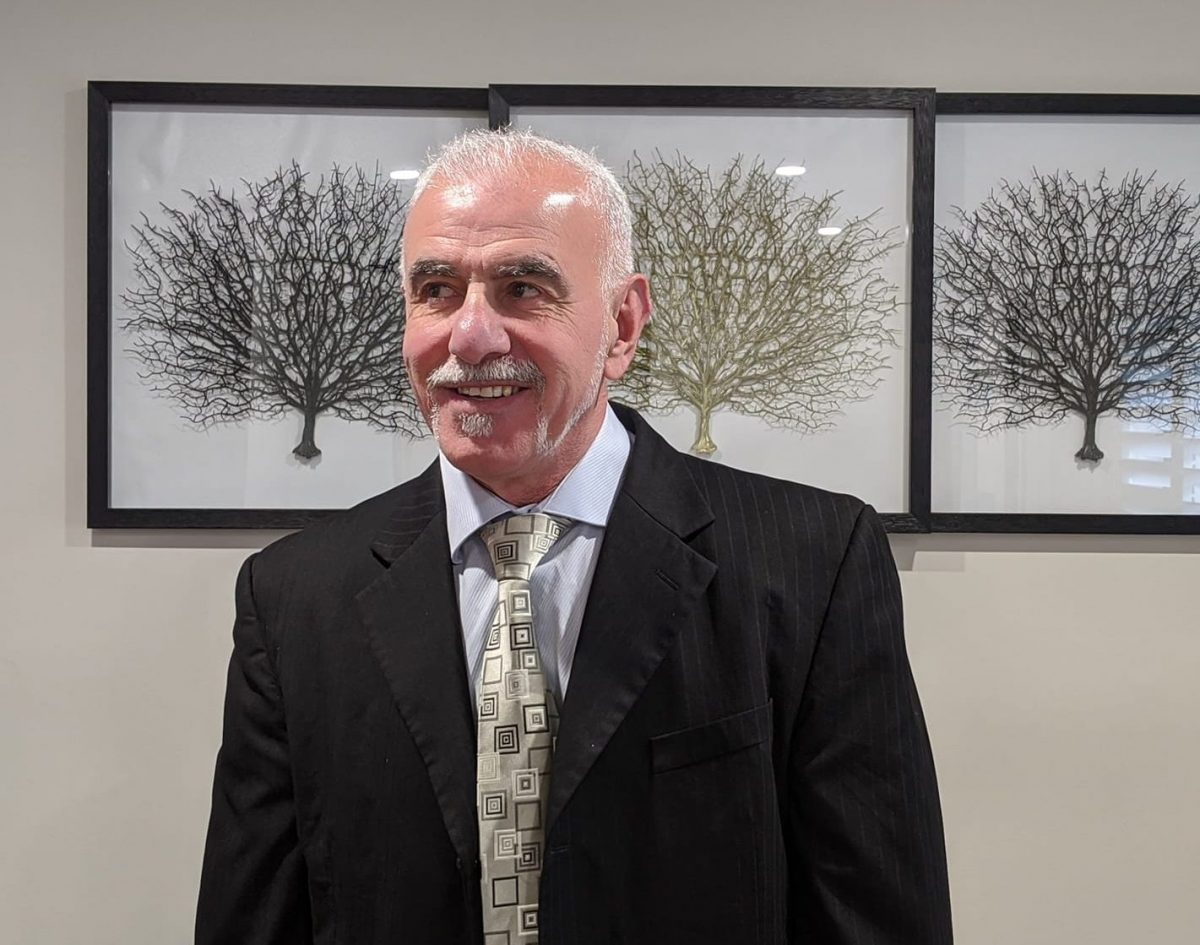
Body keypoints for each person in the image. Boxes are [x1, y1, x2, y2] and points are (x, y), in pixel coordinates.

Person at [195, 129, 953, 945]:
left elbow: (878, 918)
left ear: (623, 325)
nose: (470, 337)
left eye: (523, 287)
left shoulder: (813, 562)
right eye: (437, 290)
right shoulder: (294, 594)